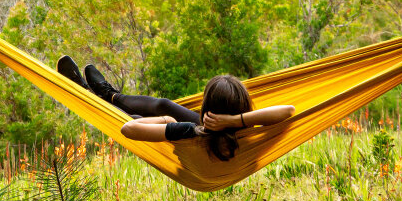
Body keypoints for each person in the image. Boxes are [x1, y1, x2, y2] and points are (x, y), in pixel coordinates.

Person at [57, 56, 295, 161]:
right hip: (221, 131)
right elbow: (289, 110)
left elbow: (129, 129)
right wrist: (232, 122)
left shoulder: (189, 131)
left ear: (207, 106)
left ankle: (91, 96)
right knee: (164, 103)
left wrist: (166, 121)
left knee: (147, 115)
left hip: (202, 138)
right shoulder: (248, 129)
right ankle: (110, 94)